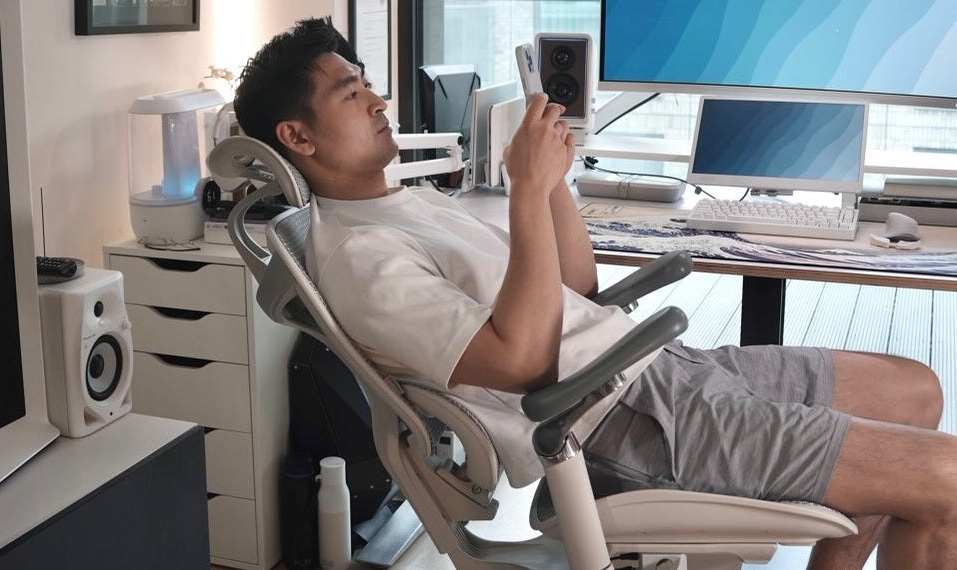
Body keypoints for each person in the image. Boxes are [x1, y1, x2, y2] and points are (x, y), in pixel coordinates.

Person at [234, 17, 957, 569]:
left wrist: (553, 184)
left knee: (915, 389)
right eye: (352, 93)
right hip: (619, 423)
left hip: (658, 373)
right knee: (947, 483)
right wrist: (524, 191)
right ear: (299, 136)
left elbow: (578, 289)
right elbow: (522, 363)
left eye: (367, 84)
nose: (378, 100)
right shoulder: (360, 258)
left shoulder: (408, 204)